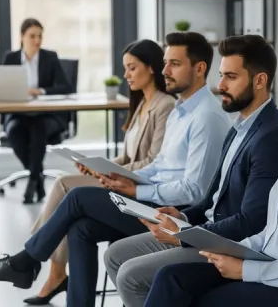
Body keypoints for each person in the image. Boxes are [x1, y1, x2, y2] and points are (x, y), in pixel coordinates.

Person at [0, 31, 231, 307]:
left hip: (173, 213)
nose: (164, 70)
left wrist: (138, 190)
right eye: (165, 62)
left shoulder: (206, 117)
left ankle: (25, 261)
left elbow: (195, 190)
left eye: (174, 64)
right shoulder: (182, 110)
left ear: (200, 68)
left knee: (78, 197)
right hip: (154, 199)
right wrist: (127, 179)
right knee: (81, 228)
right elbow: (160, 166)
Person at [104, 34, 278, 307]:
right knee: (115, 254)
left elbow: (253, 220)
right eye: (221, 75)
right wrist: (182, 215)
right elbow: (211, 198)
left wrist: (186, 235)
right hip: (203, 229)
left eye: (231, 77)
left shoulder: (272, 137)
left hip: (231, 246)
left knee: (131, 275)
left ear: (260, 81)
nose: (220, 86)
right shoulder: (239, 127)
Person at [144, 56, 278, 307]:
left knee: (202, 300)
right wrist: (229, 250)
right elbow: (271, 233)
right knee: (171, 277)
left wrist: (246, 270)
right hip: (265, 266)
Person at [23, 38, 176, 305]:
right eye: (125, 68)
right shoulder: (141, 104)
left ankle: (38, 260)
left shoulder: (165, 106)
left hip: (139, 191)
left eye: (131, 68)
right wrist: (99, 166)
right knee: (78, 223)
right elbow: (128, 156)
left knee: (64, 186)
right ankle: (44, 264)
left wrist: (111, 172)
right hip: (122, 179)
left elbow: (153, 162)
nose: (125, 75)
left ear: (151, 68)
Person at [3, 18, 72, 204]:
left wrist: (40, 91)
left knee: (38, 129)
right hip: (19, 115)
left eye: (40, 36)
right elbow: (3, 87)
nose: (37, 40)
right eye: (32, 36)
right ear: (21, 37)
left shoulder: (49, 57)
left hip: (47, 115)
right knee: (14, 131)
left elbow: (66, 87)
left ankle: (33, 181)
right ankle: (38, 177)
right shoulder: (11, 58)